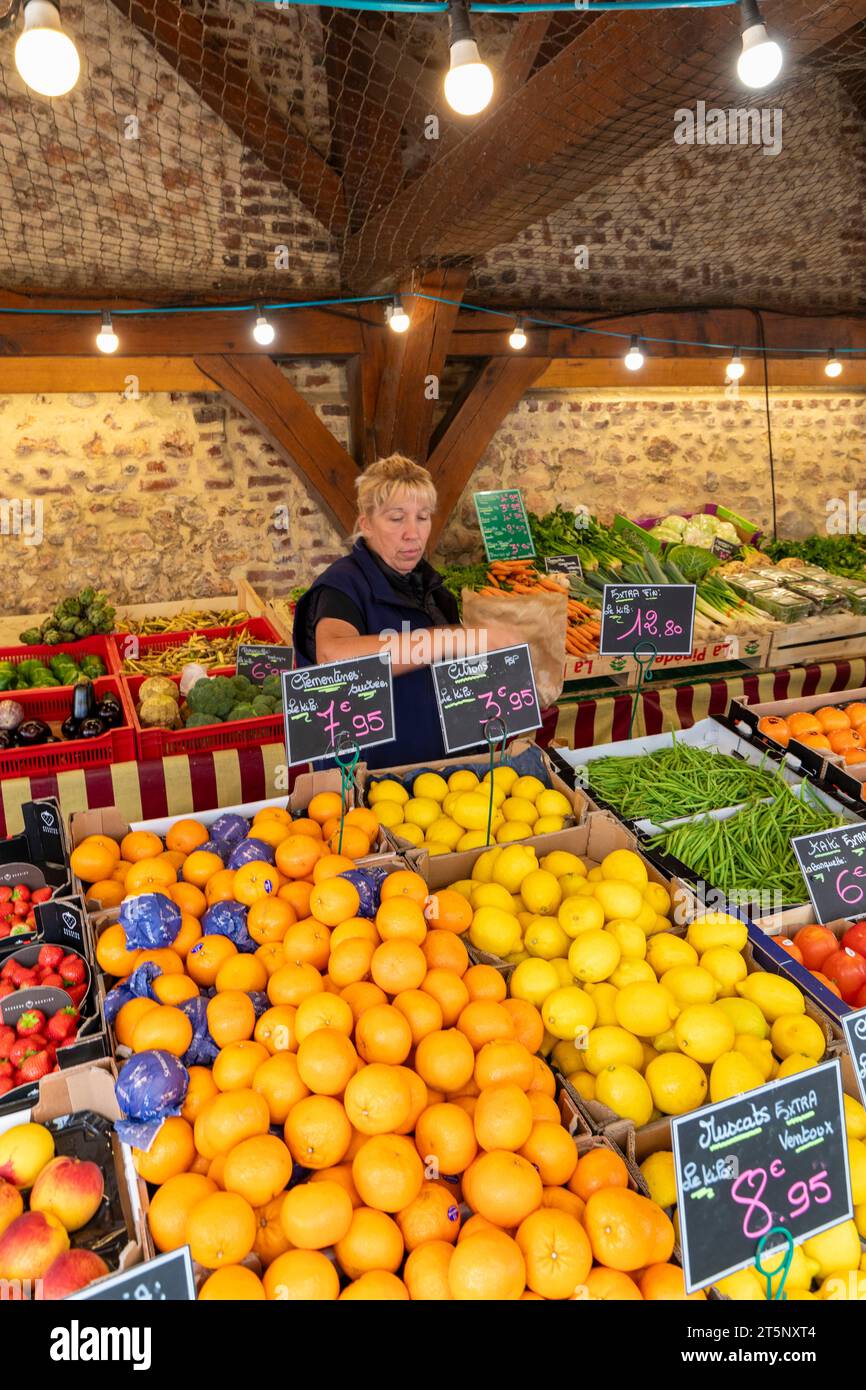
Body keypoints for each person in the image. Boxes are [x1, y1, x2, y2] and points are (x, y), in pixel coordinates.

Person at [292, 454, 521, 768]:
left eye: (423, 517)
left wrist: (512, 682)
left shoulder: (434, 592)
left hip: (437, 781)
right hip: (364, 787)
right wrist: (450, 639)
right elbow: (333, 657)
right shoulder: (341, 586)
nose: (413, 533)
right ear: (366, 524)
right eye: (397, 518)